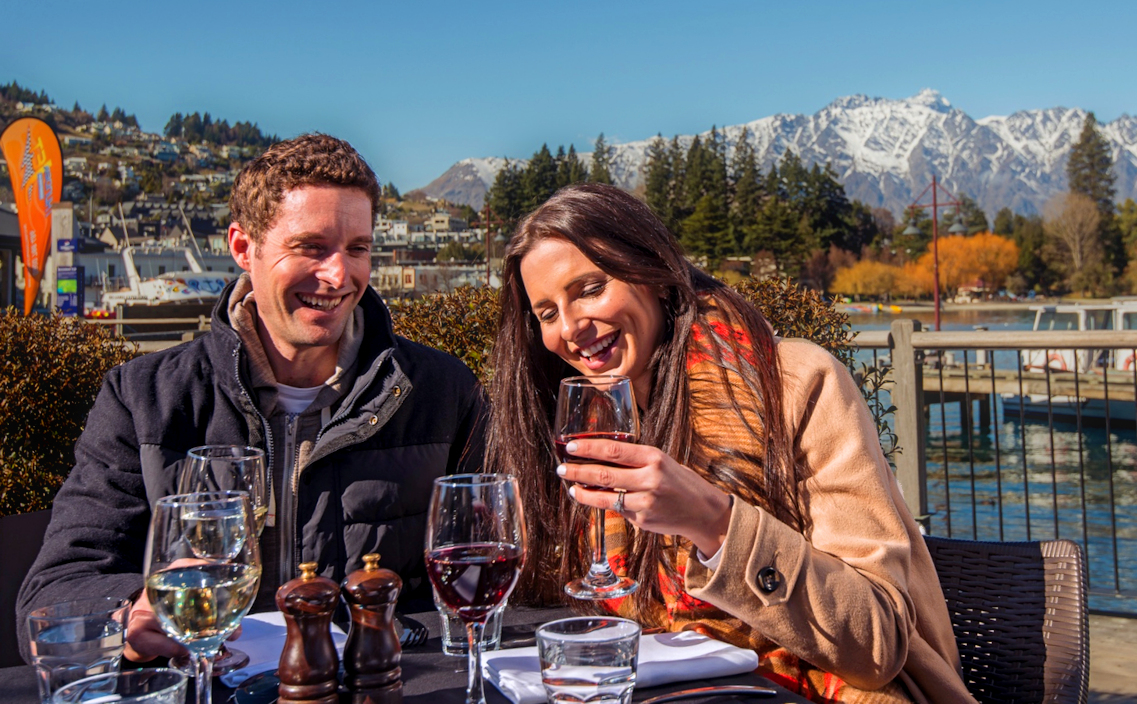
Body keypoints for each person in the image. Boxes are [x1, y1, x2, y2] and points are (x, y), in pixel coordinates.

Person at [485, 184, 975, 704]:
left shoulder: (795, 383)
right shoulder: (584, 422)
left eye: (589, 289)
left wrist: (716, 525)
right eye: (547, 313)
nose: (570, 328)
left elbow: (877, 641)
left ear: (653, 274)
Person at [17, 133, 487, 663]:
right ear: (244, 248)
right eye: (311, 247)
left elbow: (494, 566)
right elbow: (56, 591)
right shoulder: (142, 399)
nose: (338, 275)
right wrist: (130, 612)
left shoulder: (443, 392)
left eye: (357, 249)